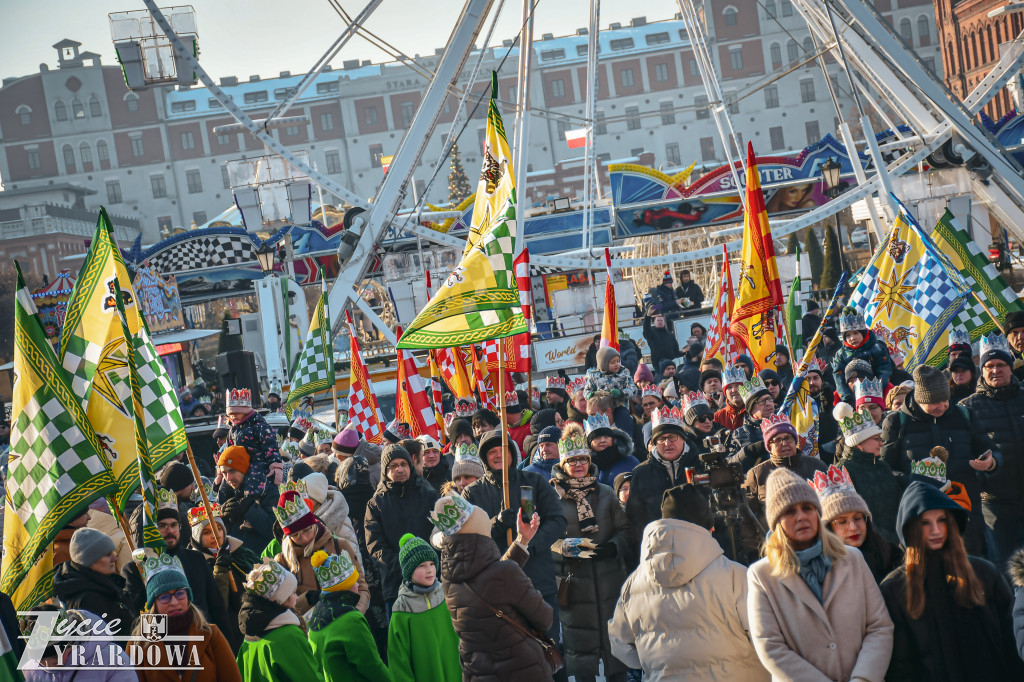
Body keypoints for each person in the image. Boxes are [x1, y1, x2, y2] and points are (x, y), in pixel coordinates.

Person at [609, 484, 769, 680]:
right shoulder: (736, 576)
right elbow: (766, 639)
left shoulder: (633, 584)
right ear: (709, 529)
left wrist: (658, 663)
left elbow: (619, 644)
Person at [747, 468, 894, 681]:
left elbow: (879, 626)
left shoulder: (851, 559)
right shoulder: (761, 575)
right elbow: (770, 647)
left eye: (807, 508)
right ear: (777, 521)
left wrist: (863, 678)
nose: (801, 517)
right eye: (789, 511)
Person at [880, 481, 1024, 679]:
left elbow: (1011, 643)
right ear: (911, 527)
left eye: (941, 520)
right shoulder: (894, 589)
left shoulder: (984, 573)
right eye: (925, 523)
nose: (936, 530)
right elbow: (900, 666)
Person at [461, 429, 567, 652]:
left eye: (503, 450)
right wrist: (496, 524)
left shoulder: (534, 481)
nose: (498, 455)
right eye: (492, 452)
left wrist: (529, 544)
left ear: (512, 453)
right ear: (484, 457)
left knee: (549, 650)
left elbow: (558, 520)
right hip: (498, 586)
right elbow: (467, 536)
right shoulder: (472, 493)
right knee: (514, 655)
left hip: (539, 581)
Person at [433, 494, 555, 681]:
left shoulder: (450, 581)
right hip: (523, 671)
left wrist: (521, 541)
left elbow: (488, 580)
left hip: (479, 674)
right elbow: (545, 619)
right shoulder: (504, 574)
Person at [881, 364, 1000, 555]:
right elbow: (885, 469)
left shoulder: (963, 415)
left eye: (946, 400)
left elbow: (990, 450)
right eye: (936, 402)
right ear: (921, 400)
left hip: (965, 510)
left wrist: (990, 463)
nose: (943, 406)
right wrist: (914, 480)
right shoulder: (896, 422)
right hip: (923, 512)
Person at [550, 431, 630, 682]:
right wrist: (583, 550)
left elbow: (625, 530)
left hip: (609, 580)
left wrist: (613, 547)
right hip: (574, 583)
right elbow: (549, 541)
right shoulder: (553, 497)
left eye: (583, 459)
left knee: (615, 650)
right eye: (572, 461)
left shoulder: (605, 492)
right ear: (563, 465)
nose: (578, 465)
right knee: (580, 654)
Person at [123, 489, 229, 637]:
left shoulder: (196, 559)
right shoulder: (136, 569)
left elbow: (217, 607)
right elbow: (134, 615)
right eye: (162, 526)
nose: (170, 530)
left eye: (174, 525)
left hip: (204, 640)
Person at [960, 333, 1024, 564]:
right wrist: (981, 469)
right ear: (982, 371)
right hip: (995, 504)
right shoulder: (967, 409)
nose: (995, 370)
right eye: (989, 366)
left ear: (1011, 367)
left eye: (1000, 365)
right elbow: (960, 454)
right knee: (1005, 569)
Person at [131, 552, 242, 682]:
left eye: (180, 594)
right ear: (153, 603)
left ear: (188, 596)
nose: (174, 602)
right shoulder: (138, 645)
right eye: (164, 597)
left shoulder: (211, 635)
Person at [364, 444, 440, 611]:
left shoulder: (428, 493)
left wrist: (427, 564)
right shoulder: (376, 504)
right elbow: (376, 546)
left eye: (403, 464)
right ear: (385, 470)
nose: (399, 469)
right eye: (393, 466)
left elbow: (440, 531)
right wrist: (406, 566)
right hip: (396, 586)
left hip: (433, 581)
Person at [273, 489, 369, 615]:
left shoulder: (340, 546)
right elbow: (282, 606)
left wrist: (356, 613)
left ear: (314, 525)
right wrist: (307, 599)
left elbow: (362, 587)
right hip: (310, 630)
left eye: (307, 530)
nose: (304, 538)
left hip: (348, 619)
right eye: (295, 535)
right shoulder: (283, 561)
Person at [742, 414, 827, 556]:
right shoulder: (757, 474)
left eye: (788, 438)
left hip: (817, 543)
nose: (784, 443)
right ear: (769, 446)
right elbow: (746, 515)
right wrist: (758, 549)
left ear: (795, 441)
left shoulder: (816, 466)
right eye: (777, 440)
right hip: (777, 549)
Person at [307, 550, 391, 682]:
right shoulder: (351, 619)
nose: (357, 585)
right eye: (353, 581)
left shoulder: (315, 616)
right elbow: (371, 665)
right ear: (345, 587)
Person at [811, 464, 903, 584]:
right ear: (828, 528)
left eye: (858, 518)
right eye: (842, 521)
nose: (853, 528)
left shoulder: (891, 555)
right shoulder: (819, 571)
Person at [387, 534, 460, 681]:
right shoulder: (402, 611)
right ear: (409, 571)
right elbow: (399, 663)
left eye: (432, 564)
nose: (429, 570)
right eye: (421, 565)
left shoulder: (447, 595)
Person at [236, 560, 323, 682]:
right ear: (281, 599)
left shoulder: (249, 636)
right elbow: (310, 677)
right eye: (293, 593)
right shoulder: (289, 635)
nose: (297, 597)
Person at [833, 403, 904, 545]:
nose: (881, 444)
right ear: (859, 443)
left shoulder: (882, 466)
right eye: (876, 439)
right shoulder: (843, 472)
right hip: (868, 546)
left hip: (896, 544)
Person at [626, 407, 688, 552]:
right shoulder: (641, 473)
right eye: (661, 438)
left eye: (672, 436)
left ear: (683, 438)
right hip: (659, 550)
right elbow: (635, 520)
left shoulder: (700, 464)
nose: (667, 443)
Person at [52, 528, 135, 636]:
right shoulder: (89, 599)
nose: (114, 558)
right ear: (89, 560)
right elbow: (122, 634)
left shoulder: (98, 584)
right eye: (107, 554)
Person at [215, 445, 279, 553]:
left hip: (263, 558)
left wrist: (250, 509)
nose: (228, 478)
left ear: (244, 469)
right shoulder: (225, 493)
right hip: (237, 559)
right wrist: (224, 520)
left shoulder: (266, 489)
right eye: (224, 473)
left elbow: (275, 530)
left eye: (233, 471)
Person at [224, 388, 283, 496]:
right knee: (225, 488)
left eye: (237, 412)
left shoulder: (260, 427)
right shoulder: (232, 430)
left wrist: (275, 466)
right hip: (236, 467)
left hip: (257, 465)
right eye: (231, 413)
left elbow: (271, 448)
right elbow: (228, 451)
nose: (234, 416)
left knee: (252, 488)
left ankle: (252, 503)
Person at [831, 308, 894, 404]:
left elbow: (884, 370)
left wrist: (875, 390)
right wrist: (847, 397)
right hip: (851, 391)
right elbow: (838, 376)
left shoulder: (877, 347)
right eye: (848, 335)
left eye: (856, 333)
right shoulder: (841, 354)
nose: (852, 338)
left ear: (863, 333)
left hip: (877, 388)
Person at [583, 414, 639, 488]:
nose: (603, 440)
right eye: (597, 437)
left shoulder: (630, 461)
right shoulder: (584, 466)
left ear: (613, 440)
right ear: (589, 443)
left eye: (606, 436)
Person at [714, 365, 748, 431]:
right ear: (725, 393)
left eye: (738, 385)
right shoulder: (718, 417)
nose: (734, 390)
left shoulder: (755, 411)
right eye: (729, 387)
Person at [1003, 310, 1024, 381]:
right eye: (1014, 333)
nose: (1020, 337)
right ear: (1007, 337)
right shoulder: (1001, 361)